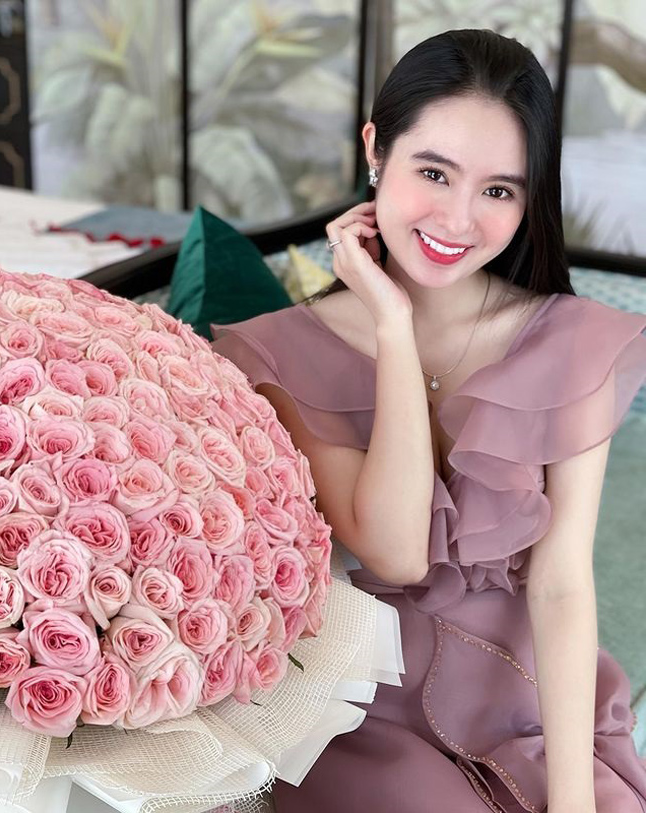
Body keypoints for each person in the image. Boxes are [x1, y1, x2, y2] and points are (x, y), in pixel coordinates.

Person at [210, 28, 646, 813]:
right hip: (365, 716)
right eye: (434, 172)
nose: (458, 219)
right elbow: (398, 549)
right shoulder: (278, 354)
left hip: (531, 702)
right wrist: (393, 326)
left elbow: (560, 584)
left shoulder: (572, 341)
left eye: (498, 191)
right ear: (375, 149)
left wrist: (575, 801)